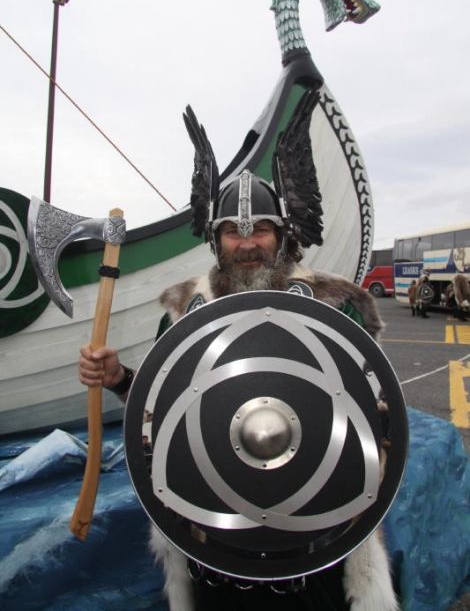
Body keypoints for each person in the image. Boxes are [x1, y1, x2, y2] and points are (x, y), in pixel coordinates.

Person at [79, 170, 398, 611]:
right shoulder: (186, 311)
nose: (247, 244)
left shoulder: (335, 306)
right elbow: (162, 411)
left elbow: (374, 414)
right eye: (233, 231)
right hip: (214, 538)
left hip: (315, 538)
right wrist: (118, 378)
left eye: (261, 229)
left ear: (281, 234)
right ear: (216, 239)